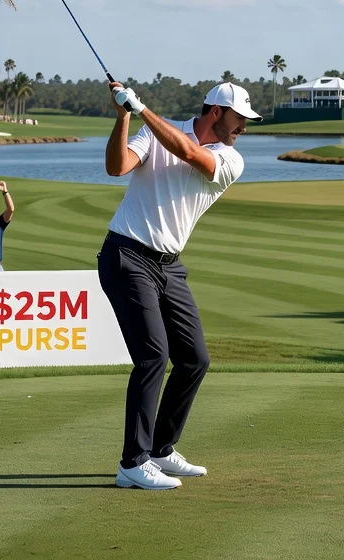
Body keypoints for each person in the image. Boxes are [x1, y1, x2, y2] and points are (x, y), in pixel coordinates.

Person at [98, 81, 259, 489]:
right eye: (240, 118)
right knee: (153, 357)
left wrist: (143, 109)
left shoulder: (230, 159)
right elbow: (117, 168)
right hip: (126, 256)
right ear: (216, 112)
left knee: (194, 359)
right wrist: (124, 116)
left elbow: (189, 153)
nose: (243, 127)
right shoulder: (151, 132)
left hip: (169, 266)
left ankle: (160, 449)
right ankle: (132, 462)